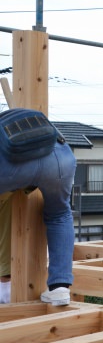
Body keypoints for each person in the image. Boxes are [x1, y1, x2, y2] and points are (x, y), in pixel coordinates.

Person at [0, 114, 77, 306]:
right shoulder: (20, 121)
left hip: (12, 165)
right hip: (59, 157)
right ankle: (60, 288)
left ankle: (4, 279)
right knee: (59, 214)